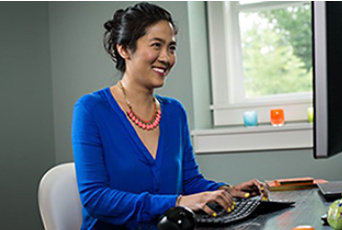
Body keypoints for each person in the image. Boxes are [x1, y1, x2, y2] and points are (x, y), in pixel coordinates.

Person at [72, 2, 269, 229]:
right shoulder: (91, 109)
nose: (166, 58)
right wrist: (176, 202)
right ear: (124, 49)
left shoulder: (174, 112)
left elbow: (189, 181)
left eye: (171, 48)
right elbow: (95, 198)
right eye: (156, 45)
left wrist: (225, 191)